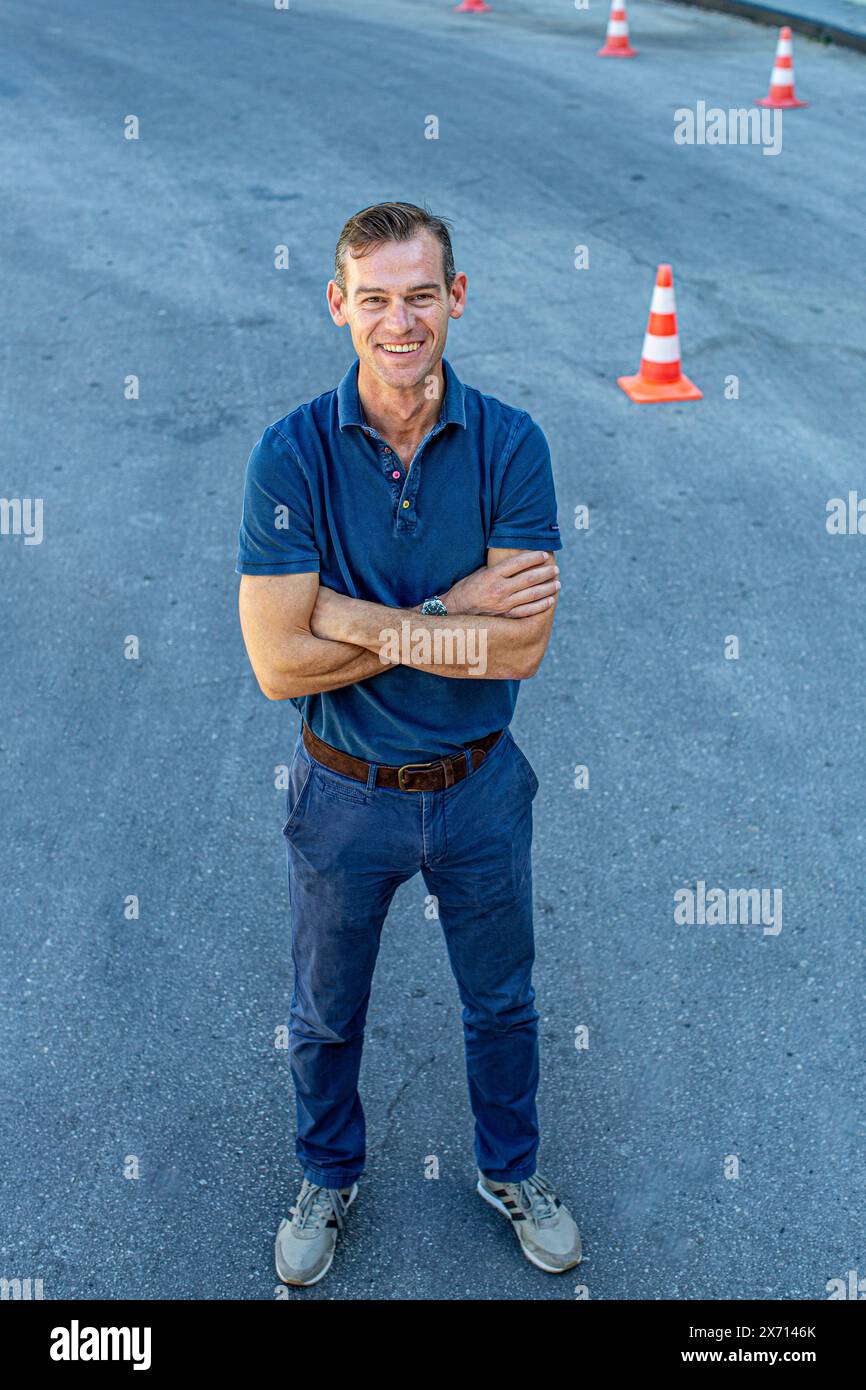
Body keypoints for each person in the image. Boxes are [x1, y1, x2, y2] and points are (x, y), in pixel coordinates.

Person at [236, 201, 581, 1287]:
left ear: (457, 298)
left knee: (502, 1001)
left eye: (421, 294)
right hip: (342, 793)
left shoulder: (512, 442)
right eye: (375, 297)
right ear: (338, 305)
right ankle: (326, 1173)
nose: (400, 320)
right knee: (324, 1011)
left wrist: (351, 613)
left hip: (478, 787)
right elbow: (278, 668)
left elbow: (518, 645)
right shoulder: (288, 453)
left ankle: (509, 1169)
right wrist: (446, 609)